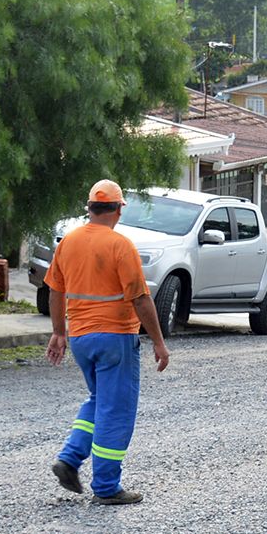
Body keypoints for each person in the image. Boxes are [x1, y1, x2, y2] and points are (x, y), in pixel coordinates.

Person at [44, 179, 170, 505]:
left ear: (90, 208)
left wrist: (59, 332)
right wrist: (158, 341)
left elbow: (55, 290)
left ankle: (70, 459)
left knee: (99, 401)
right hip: (116, 338)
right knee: (116, 411)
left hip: (82, 338)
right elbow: (140, 298)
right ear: (117, 209)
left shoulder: (68, 242)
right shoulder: (120, 245)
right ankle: (106, 486)